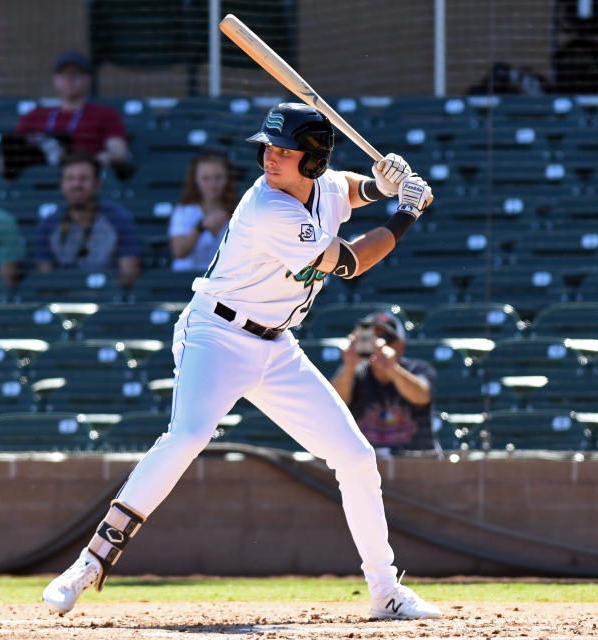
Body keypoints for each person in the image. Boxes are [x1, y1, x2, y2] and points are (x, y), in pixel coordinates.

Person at [41, 103, 440, 620]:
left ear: (312, 161)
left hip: (277, 347)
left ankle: (385, 590)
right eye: (267, 148)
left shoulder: (325, 185)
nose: (270, 158)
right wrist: (406, 210)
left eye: (284, 150)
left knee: (357, 458)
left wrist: (383, 184)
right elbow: (350, 262)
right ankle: (90, 563)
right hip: (217, 334)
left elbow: (348, 188)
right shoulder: (266, 208)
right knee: (186, 436)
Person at [331, 312, 438, 454]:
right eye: (370, 338)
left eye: (386, 338)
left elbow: (422, 396)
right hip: (369, 465)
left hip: (416, 464)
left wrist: (391, 368)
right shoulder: (354, 373)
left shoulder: (418, 368)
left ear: (400, 345)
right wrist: (349, 365)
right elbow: (335, 406)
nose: (378, 345)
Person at [32, 153, 141, 288]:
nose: (76, 184)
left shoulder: (120, 220)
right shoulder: (48, 225)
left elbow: (129, 274)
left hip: (107, 300)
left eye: (83, 179)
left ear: (97, 184)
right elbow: (45, 280)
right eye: (70, 178)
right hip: (63, 302)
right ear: (62, 184)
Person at [14, 51, 130, 170]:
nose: (69, 79)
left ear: (89, 79)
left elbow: (118, 152)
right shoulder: (35, 116)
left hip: (85, 179)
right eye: (64, 74)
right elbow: (11, 155)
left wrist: (91, 162)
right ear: (55, 79)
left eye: (76, 74)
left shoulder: (105, 114)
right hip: (40, 179)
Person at [168, 152, 240, 272]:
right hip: (186, 279)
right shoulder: (184, 211)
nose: (213, 185)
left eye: (218, 177)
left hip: (224, 281)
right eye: (205, 178)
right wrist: (200, 227)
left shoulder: (240, 210)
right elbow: (179, 252)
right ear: (195, 180)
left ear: (228, 178)